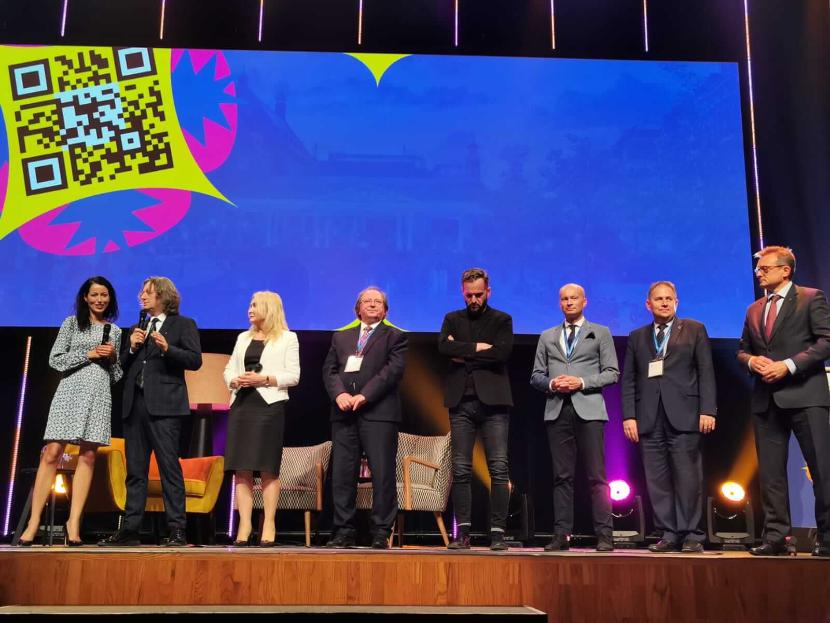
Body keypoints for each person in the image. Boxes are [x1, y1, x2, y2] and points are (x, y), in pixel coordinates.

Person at [737, 246, 830, 557]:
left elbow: (826, 341)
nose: (759, 273)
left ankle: (827, 538)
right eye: (758, 269)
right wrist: (752, 362)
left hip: (806, 396)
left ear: (785, 270)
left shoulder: (810, 298)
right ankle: (777, 538)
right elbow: (742, 350)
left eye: (765, 268)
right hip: (766, 401)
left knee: (821, 469)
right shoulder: (754, 309)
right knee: (771, 475)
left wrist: (788, 365)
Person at [17, 277, 121, 546]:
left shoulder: (114, 331)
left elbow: (116, 375)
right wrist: (89, 354)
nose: (100, 300)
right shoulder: (71, 324)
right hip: (69, 392)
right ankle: (33, 522)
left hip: (98, 394)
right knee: (52, 452)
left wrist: (112, 358)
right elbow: (55, 360)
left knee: (88, 456)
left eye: (104, 295)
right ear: (85, 297)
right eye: (94, 295)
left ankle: (74, 523)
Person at [98, 277, 202, 547]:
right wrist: (132, 347)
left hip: (165, 407)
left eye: (148, 292)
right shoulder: (137, 327)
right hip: (135, 406)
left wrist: (168, 349)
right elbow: (120, 367)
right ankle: (130, 530)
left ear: (163, 296)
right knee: (135, 471)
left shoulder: (183, 324)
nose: (141, 296)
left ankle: (177, 529)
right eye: (141, 292)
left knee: (169, 469)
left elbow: (195, 360)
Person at [621, 281, 717, 553]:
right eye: (658, 299)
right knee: (657, 479)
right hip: (649, 417)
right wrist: (629, 416)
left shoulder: (694, 329)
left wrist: (708, 410)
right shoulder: (637, 336)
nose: (664, 302)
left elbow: (706, 371)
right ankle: (668, 533)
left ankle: (691, 534)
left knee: (688, 477)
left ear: (676, 302)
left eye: (668, 298)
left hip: (685, 414)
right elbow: (629, 379)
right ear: (648, 304)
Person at [530, 283, 619, 552]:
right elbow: (536, 376)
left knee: (597, 476)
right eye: (564, 299)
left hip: (589, 410)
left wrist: (581, 382)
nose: (569, 302)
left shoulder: (600, 332)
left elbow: (612, 373)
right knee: (562, 477)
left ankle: (605, 535)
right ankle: (561, 535)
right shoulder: (547, 336)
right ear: (560, 303)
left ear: (584, 301)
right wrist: (553, 384)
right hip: (557, 410)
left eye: (574, 298)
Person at [322, 286, 407, 549]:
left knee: (382, 473)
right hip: (344, 413)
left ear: (385, 310)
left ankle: (381, 531)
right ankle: (344, 530)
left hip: (379, 413)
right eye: (367, 301)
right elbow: (329, 370)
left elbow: (392, 372)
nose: (372, 304)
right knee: (342, 474)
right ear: (357, 309)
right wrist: (339, 394)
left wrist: (365, 395)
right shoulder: (341, 337)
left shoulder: (396, 337)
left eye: (377, 302)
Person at [438, 268, 514, 551]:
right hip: (461, 402)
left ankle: (498, 534)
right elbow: (442, 349)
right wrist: (478, 347)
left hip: (494, 403)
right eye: (469, 295)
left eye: (478, 294)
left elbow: (502, 353)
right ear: (462, 292)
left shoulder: (502, 319)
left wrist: (462, 351)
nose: (474, 300)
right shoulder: (452, 318)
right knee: (460, 469)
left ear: (488, 292)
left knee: (498, 468)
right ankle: (463, 534)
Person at [223, 291, 300, 547]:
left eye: (255, 305)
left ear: (269, 308)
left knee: (267, 467)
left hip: (268, 407)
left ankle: (269, 522)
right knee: (241, 468)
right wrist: (234, 380)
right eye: (250, 304)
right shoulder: (242, 338)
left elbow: (293, 376)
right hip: (242, 405)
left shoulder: (288, 338)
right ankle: (245, 524)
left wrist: (263, 379)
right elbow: (229, 369)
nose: (250, 309)